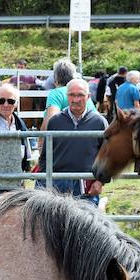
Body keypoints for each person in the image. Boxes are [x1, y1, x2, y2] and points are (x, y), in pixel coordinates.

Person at [43, 77, 106, 207]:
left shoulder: (99, 122)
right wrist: (46, 182)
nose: (76, 99)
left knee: (86, 225)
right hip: (58, 185)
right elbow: (45, 155)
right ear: (67, 96)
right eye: (72, 95)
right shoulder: (55, 121)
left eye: (80, 95)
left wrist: (100, 182)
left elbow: (108, 155)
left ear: (88, 97)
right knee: (57, 225)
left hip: (87, 186)